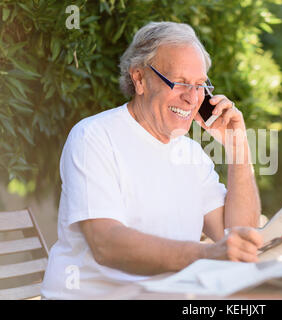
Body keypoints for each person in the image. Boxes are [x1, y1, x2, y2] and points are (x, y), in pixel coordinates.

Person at [41, 21, 263, 299]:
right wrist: (205, 255)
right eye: (180, 83)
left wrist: (238, 149)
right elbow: (106, 243)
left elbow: (237, 235)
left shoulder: (191, 154)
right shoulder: (94, 137)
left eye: (199, 86)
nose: (191, 98)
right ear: (140, 79)